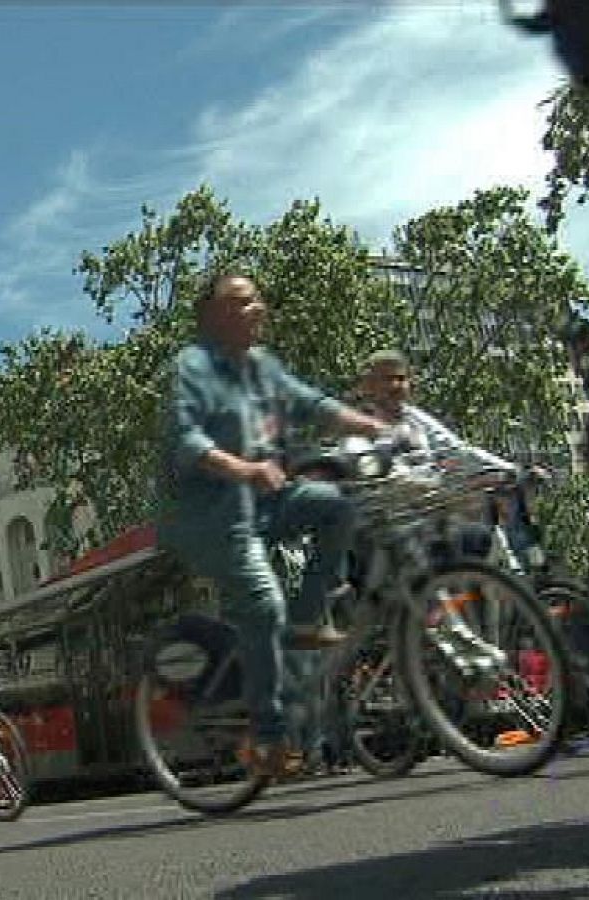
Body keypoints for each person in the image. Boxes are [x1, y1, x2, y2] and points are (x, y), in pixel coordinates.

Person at [159, 272, 388, 775]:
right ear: (213, 317)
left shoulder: (263, 367)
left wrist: (376, 426)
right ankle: (266, 736)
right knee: (263, 604)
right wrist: (245, 468)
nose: (256, 309)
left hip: (268, 501)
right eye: (241, 303)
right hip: (211, 517)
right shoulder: (192, 367)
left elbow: (313, 404)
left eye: (256, 300)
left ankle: (306, 619)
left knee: (339, 504)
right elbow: (185, 442)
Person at [352, 350, 519, 563]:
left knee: (488, 530)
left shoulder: (415, 419)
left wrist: (508, 469)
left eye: (401, 379)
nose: (396, 386)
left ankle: (514, 583)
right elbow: (379, 477)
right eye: (387, 379)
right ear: (368, 386)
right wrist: (438, 491)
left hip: (436, 514)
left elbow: (459, 450)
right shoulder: (359, 424)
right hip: (392, 527)